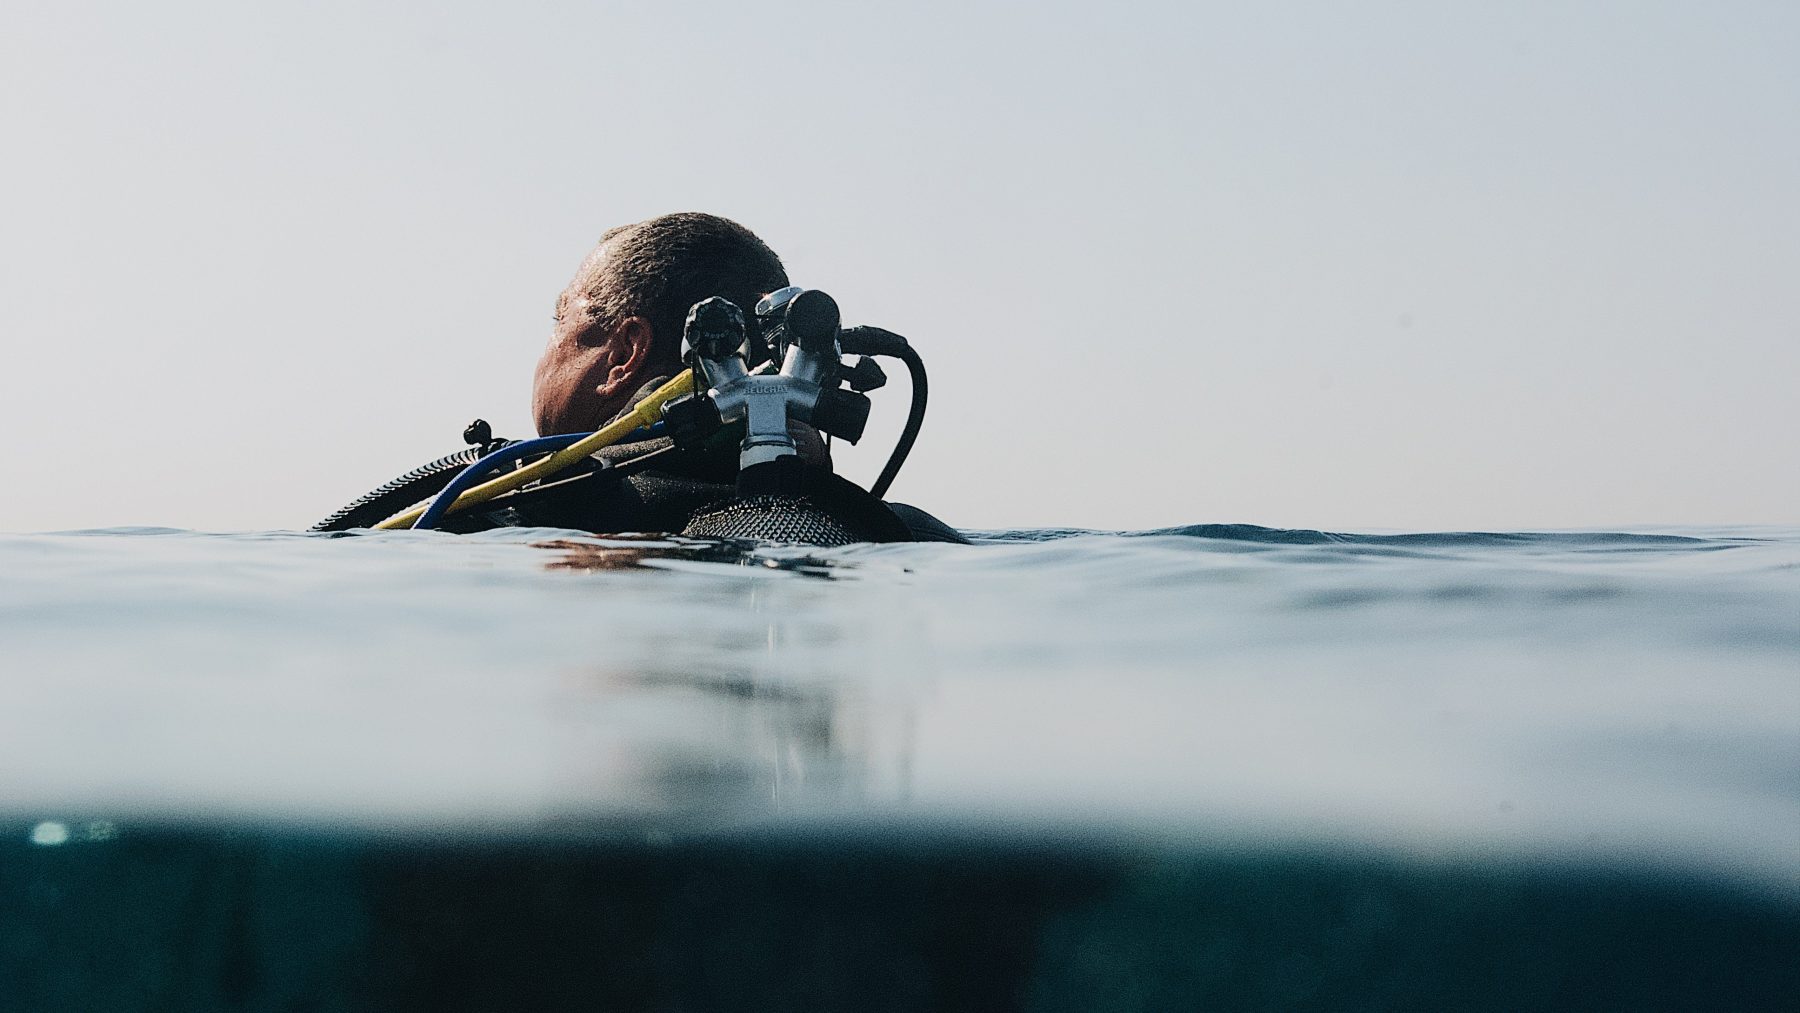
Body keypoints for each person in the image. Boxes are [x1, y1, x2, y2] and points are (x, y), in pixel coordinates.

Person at [310, 212, 961, 542]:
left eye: (559, 322)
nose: (545, 350)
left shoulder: (509, 510)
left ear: (625, 350)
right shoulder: (907, 533)